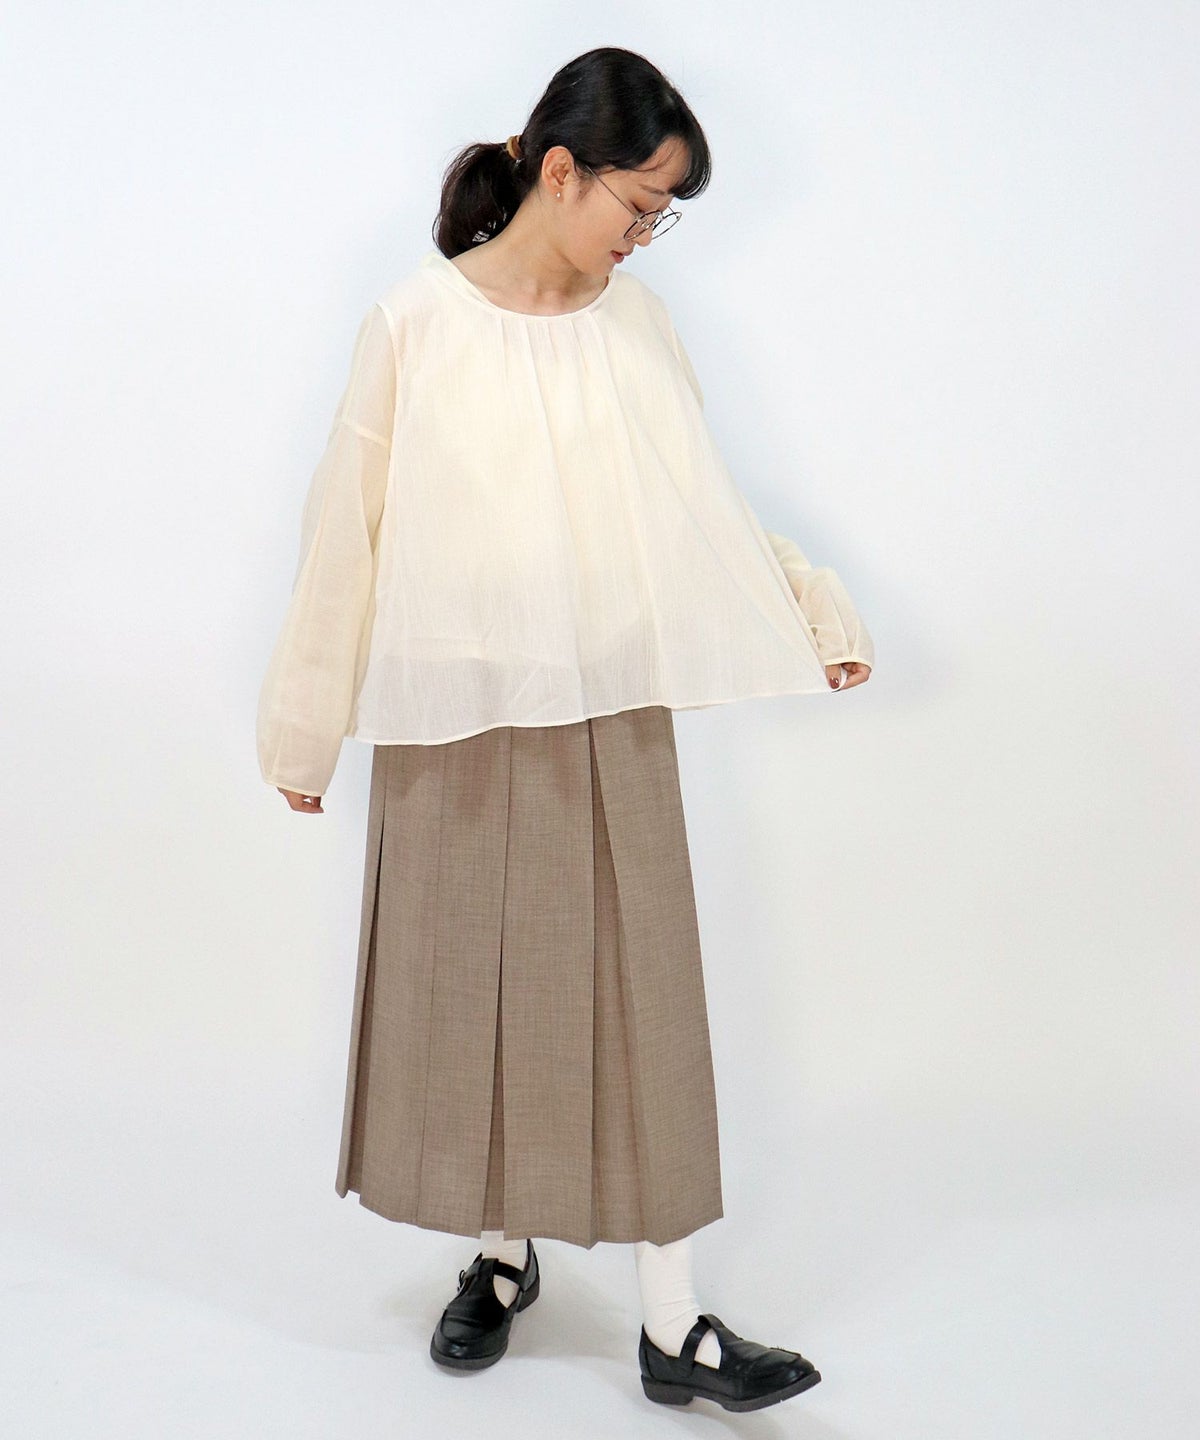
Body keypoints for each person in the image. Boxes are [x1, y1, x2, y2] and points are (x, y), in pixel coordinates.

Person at [256, 46, 873, 1414]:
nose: (644, 236)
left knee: (644, 998)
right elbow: (344, 537)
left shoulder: (637, 326)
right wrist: (305, 731)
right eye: (638, 205)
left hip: (608, 704)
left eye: (663, 217)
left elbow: (699, 499)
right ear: (558, 170)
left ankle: (675, 1324)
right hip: (455, 712)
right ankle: (500, 1257)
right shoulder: (414, 325)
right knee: (476, 984)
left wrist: (807, 609)